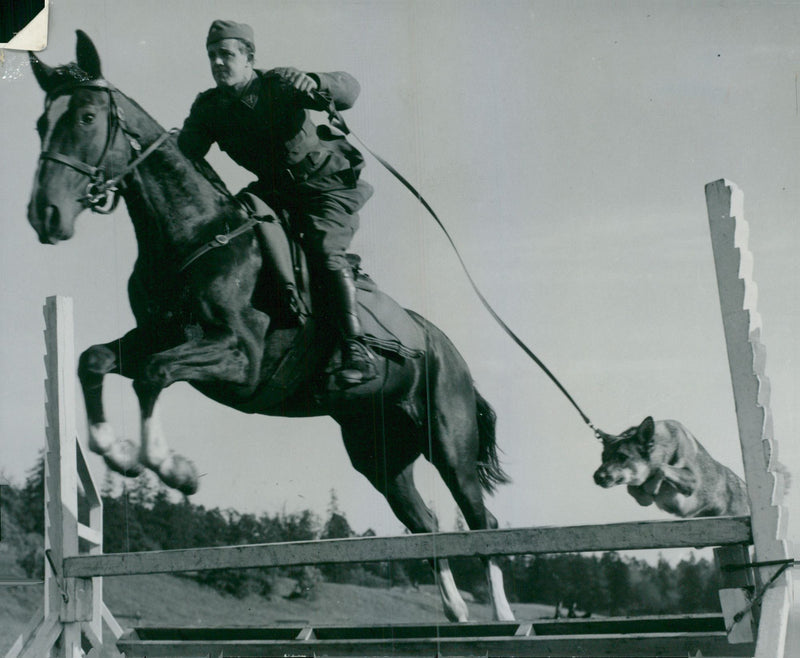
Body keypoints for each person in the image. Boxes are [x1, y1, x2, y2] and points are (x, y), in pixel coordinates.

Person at [178, 19, 376, 386]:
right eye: (212, 56)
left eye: (226, 54)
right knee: (230, 229)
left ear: (248, 58)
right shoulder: (209, 108)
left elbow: (349, 89)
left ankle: (356, 347)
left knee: (324, 248)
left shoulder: (280, 84)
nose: (218, 63)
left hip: (324, 186)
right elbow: (184, 153)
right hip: (274, 193)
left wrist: (316, 81)